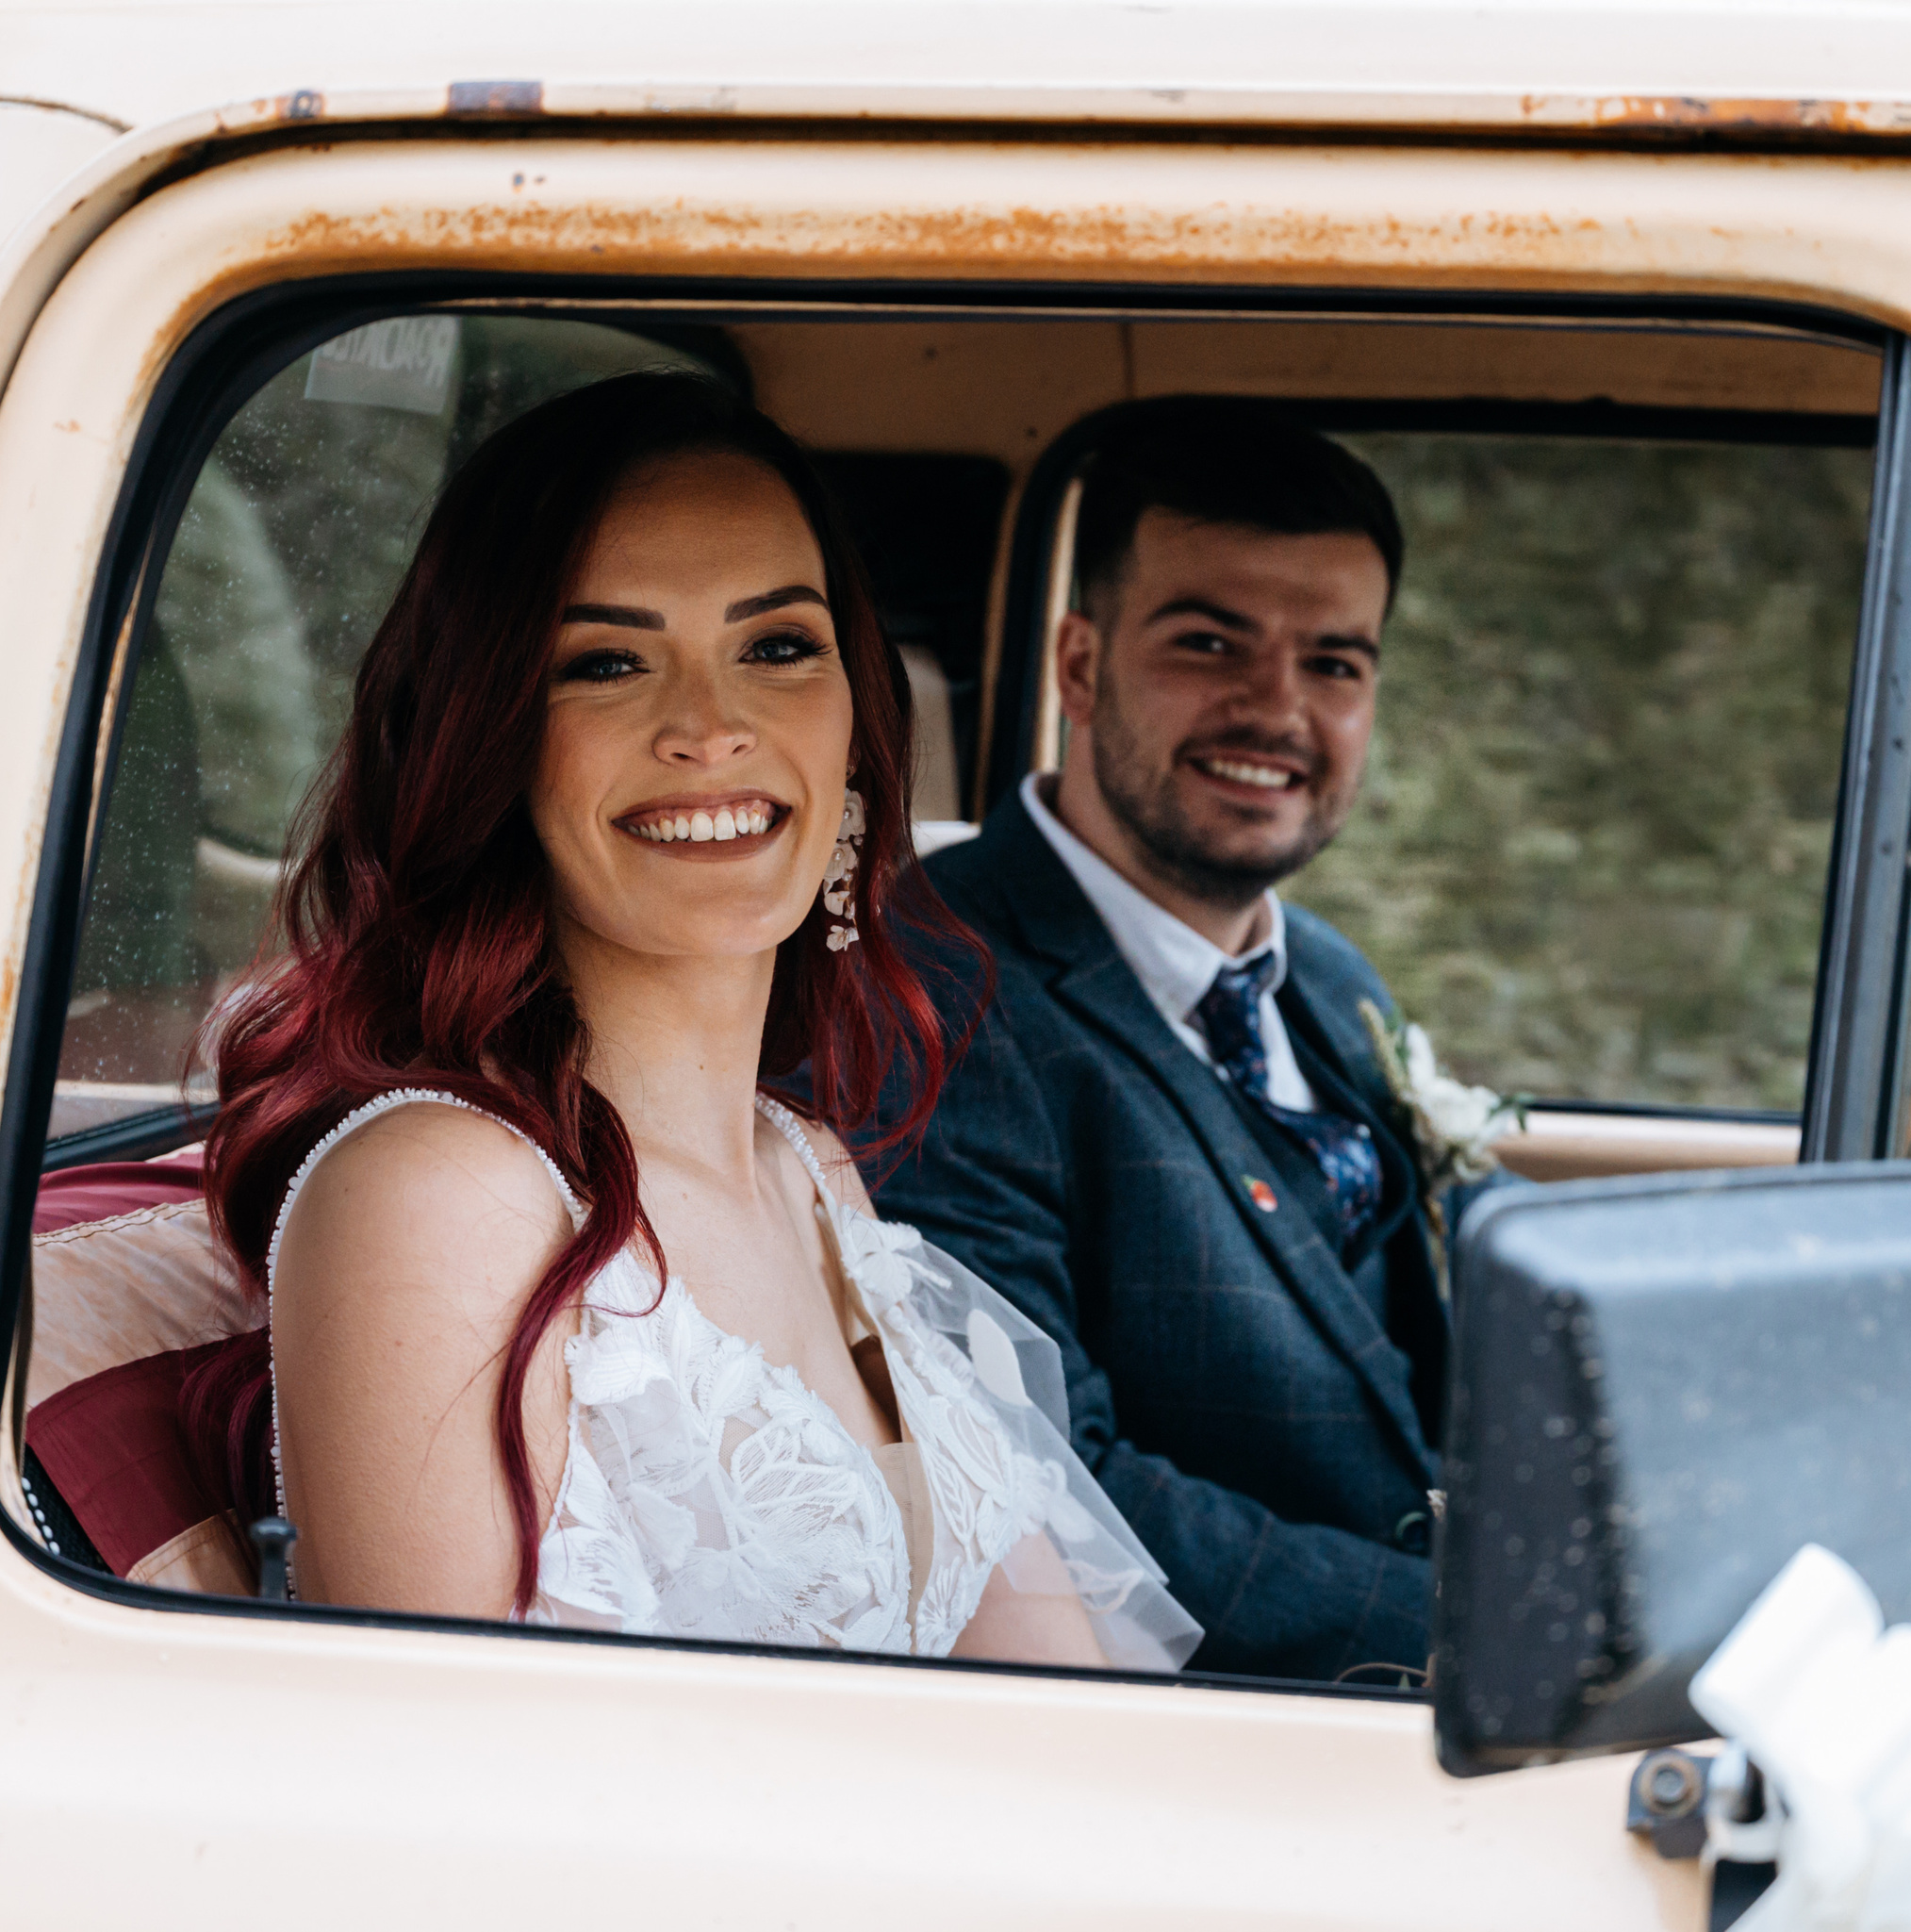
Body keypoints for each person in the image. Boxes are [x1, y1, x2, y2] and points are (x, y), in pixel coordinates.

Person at [189, 372, 1198, 1671]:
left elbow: (1059, 1686)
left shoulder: (813, 1173)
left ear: (855, 724)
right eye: (607, 662)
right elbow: (438, 1802)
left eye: (777, 646)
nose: (713, 727)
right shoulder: (440, 1197)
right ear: (492, 743)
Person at [867, 400, 1445, 1681]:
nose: (1276, 709)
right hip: (1218, 1719)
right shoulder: (932, 993)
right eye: (1209, 642)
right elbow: (1056, 1480)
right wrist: (1467, 1627)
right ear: (1077, 667)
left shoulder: (1336, 981)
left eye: (1335, 663)